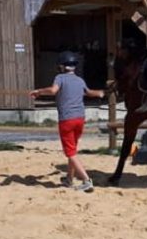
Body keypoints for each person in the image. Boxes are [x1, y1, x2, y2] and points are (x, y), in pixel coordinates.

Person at [30, 51, 105, 192]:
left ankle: (86, 180)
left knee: (70, 153)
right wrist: (102, 92)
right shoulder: (80, 80)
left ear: (62, 66)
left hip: (67, 119)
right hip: (80, 118)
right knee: (73, 150)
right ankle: (69, 179)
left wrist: (39, 91)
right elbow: (89, 92)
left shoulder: (60, 78)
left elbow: (53, 91)